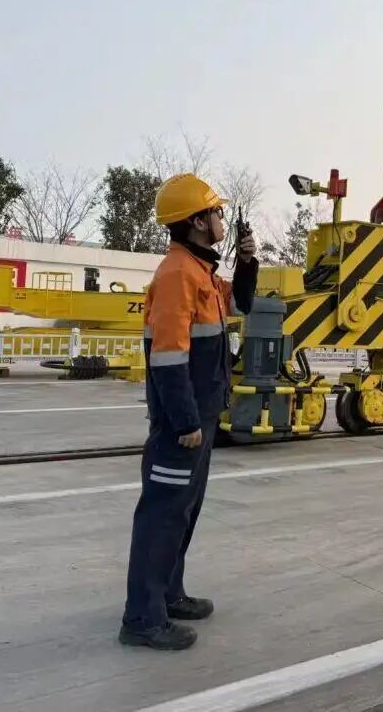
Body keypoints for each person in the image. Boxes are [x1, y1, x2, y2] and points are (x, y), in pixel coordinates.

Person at [119, 173, 257, 650]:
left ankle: (168, 595)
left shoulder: (201, 273)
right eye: (216, 212)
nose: (221, 218)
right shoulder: (178, 274)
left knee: (182, 511)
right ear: (197, 221)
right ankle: (142, 619)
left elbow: (241, 303)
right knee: (162, 514)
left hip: (201, 414)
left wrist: (248, 260)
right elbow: (168, 356)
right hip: (184, 423)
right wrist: (185, 422)